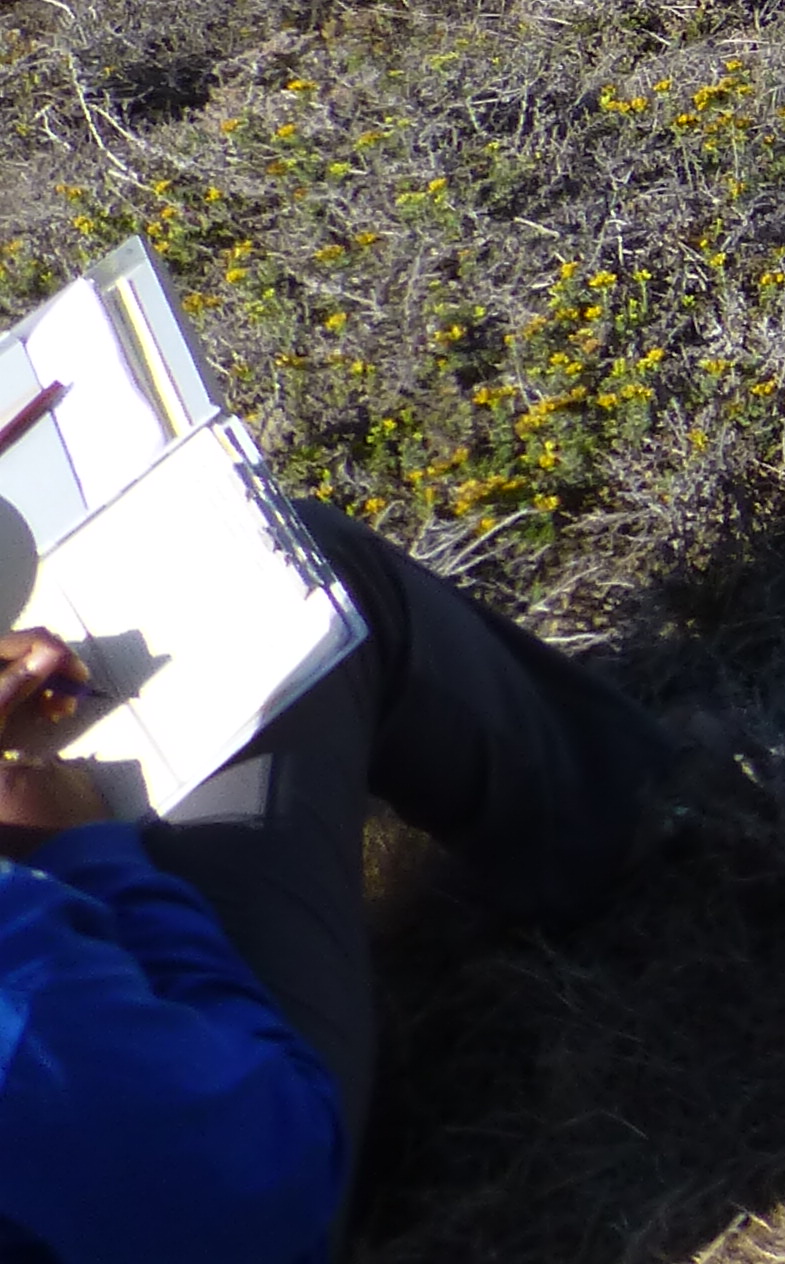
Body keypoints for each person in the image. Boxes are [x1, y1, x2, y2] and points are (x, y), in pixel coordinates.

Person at [0, 499, 666, 1262]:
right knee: (291, 565)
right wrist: (78, 852)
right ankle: (652, 828)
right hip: (239, 1183)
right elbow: (241, 1202)